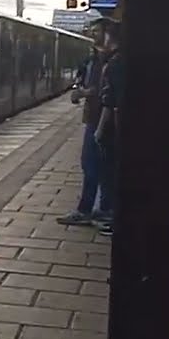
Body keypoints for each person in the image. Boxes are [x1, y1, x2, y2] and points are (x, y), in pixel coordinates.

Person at [57, 17, 117, 226]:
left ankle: (96, 210)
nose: (92, 34)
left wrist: (85, 92)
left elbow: (107, 94)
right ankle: (98, 209)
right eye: (91, 31)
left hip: (102, 121)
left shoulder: (110, 61)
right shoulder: (94, 59)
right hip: (93, 118)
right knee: (93, 165)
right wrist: (80, 91)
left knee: (96, 166)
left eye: (96, 31)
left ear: (108, 34)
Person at [93, 26, 123, 236]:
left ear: (108, 36)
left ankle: (112, 215)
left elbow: (110, 102)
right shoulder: (120, 60)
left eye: (98, 33)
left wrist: (100, 130)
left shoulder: (114, 63)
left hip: (113, 131)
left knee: (110, 173)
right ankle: (110, 212)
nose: (95, 37)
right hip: (118, 130)